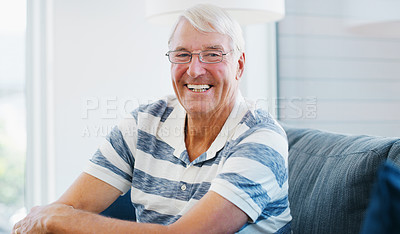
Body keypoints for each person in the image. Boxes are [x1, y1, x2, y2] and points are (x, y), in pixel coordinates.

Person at [13, 4, 291, 233]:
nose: (194, 70)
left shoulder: (262, 139)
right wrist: (54, 219)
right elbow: (65, 210)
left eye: (212, 54)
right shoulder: (143, 124)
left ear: (239, 65)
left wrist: (62, 220)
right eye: (182, 55)